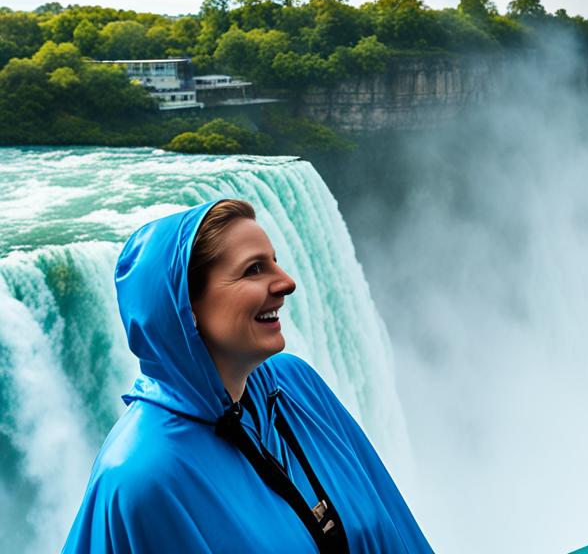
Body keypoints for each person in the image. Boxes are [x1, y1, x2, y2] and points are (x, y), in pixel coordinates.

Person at [63, 199, 432, 553]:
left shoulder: (294, 386)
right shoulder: (142, 477)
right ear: (184, 308)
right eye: (254, 269)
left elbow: (394, 523)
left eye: (275, 262)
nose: (287, 282)